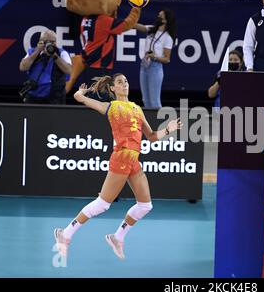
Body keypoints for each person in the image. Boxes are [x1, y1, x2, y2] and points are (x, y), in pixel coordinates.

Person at [53, 73, 183, 260]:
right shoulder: (111, 107)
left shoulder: (137, 109)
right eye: (120, 82)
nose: (125, 84)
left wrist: (169, 128)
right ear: (112, 88)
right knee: (103, 205)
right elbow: (79, 98)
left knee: (145, 206)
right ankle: (65, 234)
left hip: (134, 161)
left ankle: (117, 237)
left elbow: (152, 136)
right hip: (121, 158)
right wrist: (80, 94)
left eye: (126, 82)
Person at [134, 8, 177, 108]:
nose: (157, 18)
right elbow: (134, 25)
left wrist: (155, 57)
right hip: (144, 65)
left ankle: (160, 123)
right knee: (145, 100)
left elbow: (167, 59)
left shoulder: (167, 37)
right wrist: (135, 11)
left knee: (154, 101)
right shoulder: (151, 29)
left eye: (160, 16)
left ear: (165, 20)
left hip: (155, 67)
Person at [19, 30, 72, 104]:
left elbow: (69, 70)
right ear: (40, 42)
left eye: (52, 42)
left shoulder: (62, 53)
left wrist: (54, 56)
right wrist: (38, 51)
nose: (49, 44)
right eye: (46, 42)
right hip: (33, 95)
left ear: (56, 42)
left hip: (55, 97)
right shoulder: (32, 51)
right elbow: (22, 67)